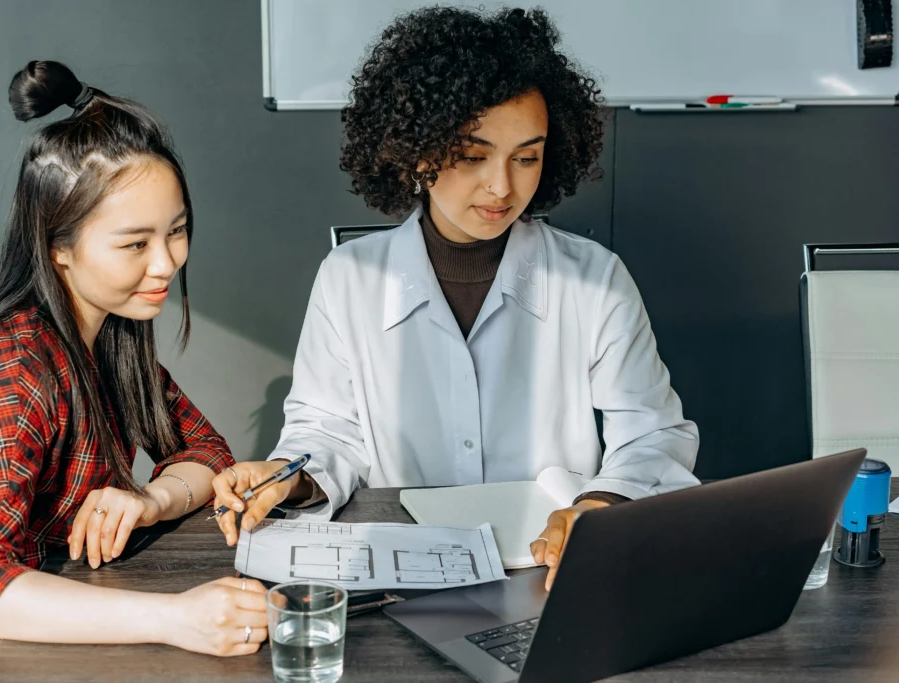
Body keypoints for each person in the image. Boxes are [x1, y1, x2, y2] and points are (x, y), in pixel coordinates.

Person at [213, 6, 700, 592]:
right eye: (473, 155)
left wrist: (600, 504)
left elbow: (652, 434)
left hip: (552, 571)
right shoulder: (349, 277)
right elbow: (328, 431)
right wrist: (288, 477)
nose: (503, 186)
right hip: (403, 572)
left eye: (527, 157)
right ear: (418, 151)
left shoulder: (595, 278)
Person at [0, 60, 266, 681]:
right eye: (135, 244)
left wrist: (148, 499)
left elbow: (208, 454)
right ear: (59, 247)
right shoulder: (11, 374)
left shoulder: (113, 336)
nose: (166, 263)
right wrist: (174, 618)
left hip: (25, 641)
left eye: (179, 231)